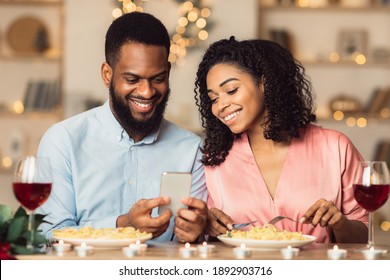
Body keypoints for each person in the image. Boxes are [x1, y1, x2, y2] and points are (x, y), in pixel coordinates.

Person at [36, 12, 207, 243]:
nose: (146, 92)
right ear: (107, 75)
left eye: (157, 78)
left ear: (168, 71)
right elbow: (48, 235)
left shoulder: (192, 149)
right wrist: (122, 226)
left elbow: (194, 241)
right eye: (132, 79)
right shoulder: (63, 141)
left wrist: (196, 232)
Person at [194, 37, 368, 243]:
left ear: (264, 83)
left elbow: (365, 235)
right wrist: (208, 225)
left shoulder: (336, 147)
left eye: (231, 90)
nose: (220, 105)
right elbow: (209, 238)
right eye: (213, 98)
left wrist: (340, 223)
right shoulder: (217, 157)